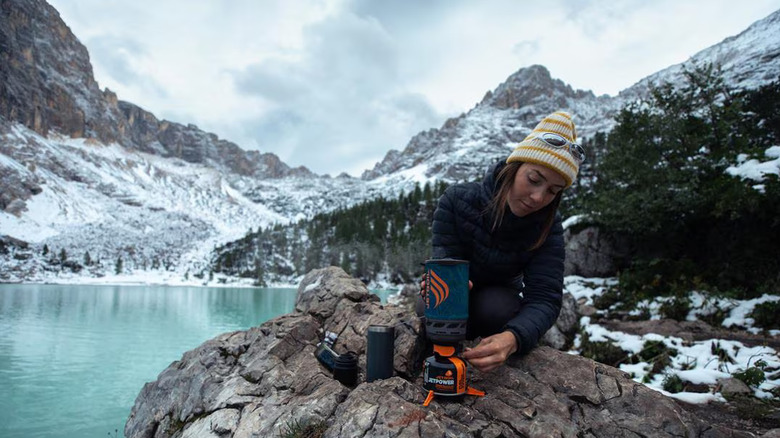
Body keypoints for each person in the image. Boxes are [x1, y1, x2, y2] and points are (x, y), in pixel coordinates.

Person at [423, 111, 584, 373]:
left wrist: (513, 339)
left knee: (499, 307)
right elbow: (446, 258)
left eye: (553, 191)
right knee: (432, 302)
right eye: (534, 179)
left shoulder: (548, 227)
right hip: (455, 299)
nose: (537, 197)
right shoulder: (456, 200)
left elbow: (545, 298)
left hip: (498, 306)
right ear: (514, 167)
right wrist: (444, 282)